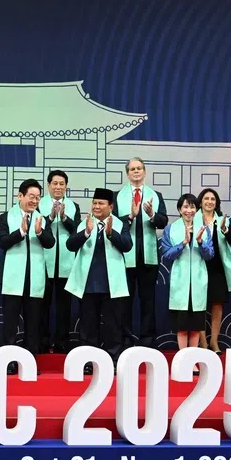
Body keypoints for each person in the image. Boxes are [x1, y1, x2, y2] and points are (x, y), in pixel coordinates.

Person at [66, 188, 132, 372]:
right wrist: (86, 233)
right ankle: (88, 362)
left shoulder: (120, 224)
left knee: (113, 326)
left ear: (110, 206)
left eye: (101, 203)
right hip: (88, 283)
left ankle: (112, 361)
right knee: (88, 326)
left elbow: (127, 246)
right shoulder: (84, 223)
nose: (96, 206)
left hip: (112, 284)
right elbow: (70, 245)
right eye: (94, 203)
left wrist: (111, 234)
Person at [0, 179, 56, 374]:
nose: (34, 201)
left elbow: (50, 243)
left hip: (35, 278)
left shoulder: (42, 219)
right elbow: (3, 243)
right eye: (31, 197)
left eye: (38, 198)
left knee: (33, 324)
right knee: (10, 324)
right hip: (14, 278)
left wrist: (39, 233)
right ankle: (8, 362)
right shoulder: (6, 217)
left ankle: (29, 363)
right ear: (20, 196)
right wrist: (21, 231)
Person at [115, 157, 168, 346]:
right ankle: (125, 341)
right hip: (124, 258)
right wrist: (130, 216)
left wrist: (152, 214)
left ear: (144, 172)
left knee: (148, 302)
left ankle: (147, 341)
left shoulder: (156, 195)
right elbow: (111, 225)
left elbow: (163, 221)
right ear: (127, 174)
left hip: (148, 258)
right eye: (132, 169)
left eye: (139, 168)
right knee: (124, 303)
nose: (136, 172)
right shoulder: (117, 196)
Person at [160, 194, 216, 354]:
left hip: (198, 282)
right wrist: (183, 243)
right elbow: (167, 255)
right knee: (182, 326)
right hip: (180, 282)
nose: (189, 210)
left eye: (192, 207)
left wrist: (200, 241)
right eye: (185, 207)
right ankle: (183, 359)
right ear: (179, 209)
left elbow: (210, 254)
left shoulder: (203, 229)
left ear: (196, 209)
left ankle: (192, 359)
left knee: (196, 327)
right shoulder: (171, 229)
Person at [38, 170, 81, 353]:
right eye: (54, 183)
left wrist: (63, 218)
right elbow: (37, 227)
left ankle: (62, 341)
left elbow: (77, 231)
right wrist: (49, 217)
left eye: (61, 184)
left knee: (64, 306)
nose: (58, 187)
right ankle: (43, 341)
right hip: (43, 261)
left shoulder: (73, 205)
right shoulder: (37, 203)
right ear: (48, 185)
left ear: (66, 186)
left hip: (66, 261)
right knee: (42, 305)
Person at [197, 188, 231, 354]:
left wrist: (225, 230)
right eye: (206, 198)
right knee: (198, 305)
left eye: (213, 199)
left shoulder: (222, 221)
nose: (209, 201)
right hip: (199, 266)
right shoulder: (193, 218)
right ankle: (202, 343)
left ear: (217, 203)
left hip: (218, 268)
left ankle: (214, 341)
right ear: (200, 202)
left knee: (217, 304)